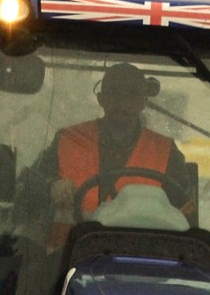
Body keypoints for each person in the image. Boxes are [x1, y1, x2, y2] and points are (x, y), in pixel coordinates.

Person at [45, 62, 197, 240]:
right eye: (114, 94)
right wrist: (51, 186)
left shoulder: (166, 151)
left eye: (131, 95)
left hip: (139, 259)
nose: (122, 103)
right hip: (66, 257)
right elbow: (28, 189)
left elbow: (187, 213)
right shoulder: (68, 140)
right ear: (101, 99)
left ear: (143, 102)